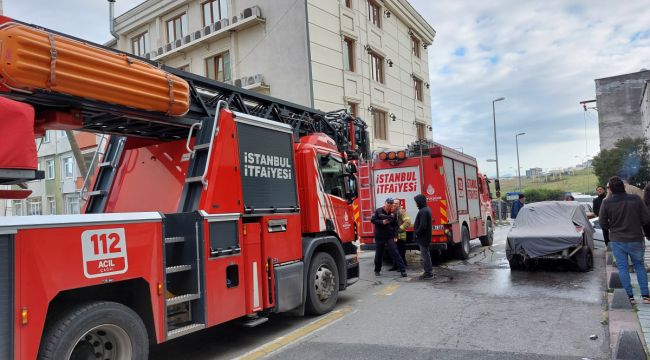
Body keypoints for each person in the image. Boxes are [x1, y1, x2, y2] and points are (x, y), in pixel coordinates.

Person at [599, 176, 650, 305]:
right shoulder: (636, 199)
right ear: (624, 187)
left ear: (610, 189)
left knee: (622, 268)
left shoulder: (606, 202)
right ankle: (646, 296)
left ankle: (630, 297)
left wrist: (613, 227)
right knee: (639, 266)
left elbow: (602, 222)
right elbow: (646, 218)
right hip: (636, 239)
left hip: (617, 240)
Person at [371, 198, 407, 277]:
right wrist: (382, 222)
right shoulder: (378, 211)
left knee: (395, 252)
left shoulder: (393, 213)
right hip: (379, 236)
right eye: (388, 203)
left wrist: (395, 234)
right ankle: (377, 270)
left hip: (389, 236)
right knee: (379, 254)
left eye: (391, 204)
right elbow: (373, 220)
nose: (389, 205)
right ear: (385, 203)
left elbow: (395, 224)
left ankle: (403, 271)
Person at [413, 194, 433, 280]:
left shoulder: (423, 211)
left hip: (423, 237)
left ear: (419, 202)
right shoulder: (425, 209)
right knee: (426, 255)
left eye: (416, 202)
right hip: (425, 237)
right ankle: (428, 271)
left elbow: (423, 225)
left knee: (425, 255)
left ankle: (428, 273)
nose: (416, 203)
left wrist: (417, 233)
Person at [389, 199, 411, 271]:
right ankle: (395, 266)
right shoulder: (393, 212)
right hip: (394, 235)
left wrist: (399, 229)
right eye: (393, 203)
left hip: (400, 236)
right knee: (394, 251)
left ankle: (402, 266)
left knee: (400, 251)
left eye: (396, 203)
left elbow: (407, 222)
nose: (394, 204)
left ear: (399, 204)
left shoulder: (402, 211)